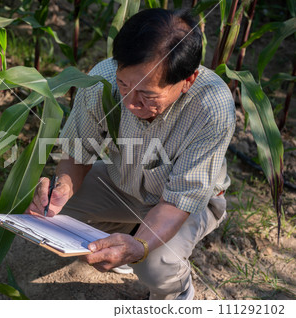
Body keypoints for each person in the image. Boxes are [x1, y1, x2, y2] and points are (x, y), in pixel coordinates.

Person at [26, 8, 235, 300]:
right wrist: (62, 188)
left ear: (187, 81)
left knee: (155, 265)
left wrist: (141, 246)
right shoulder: (102, 80)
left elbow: (180, 200)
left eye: (148, 95)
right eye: (124, 85)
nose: (131, 103)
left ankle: (176, 293)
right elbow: (79, 152)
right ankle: (127, 239)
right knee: (52, 216)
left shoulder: (212, 107)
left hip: (189, 203)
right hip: (123, 183)